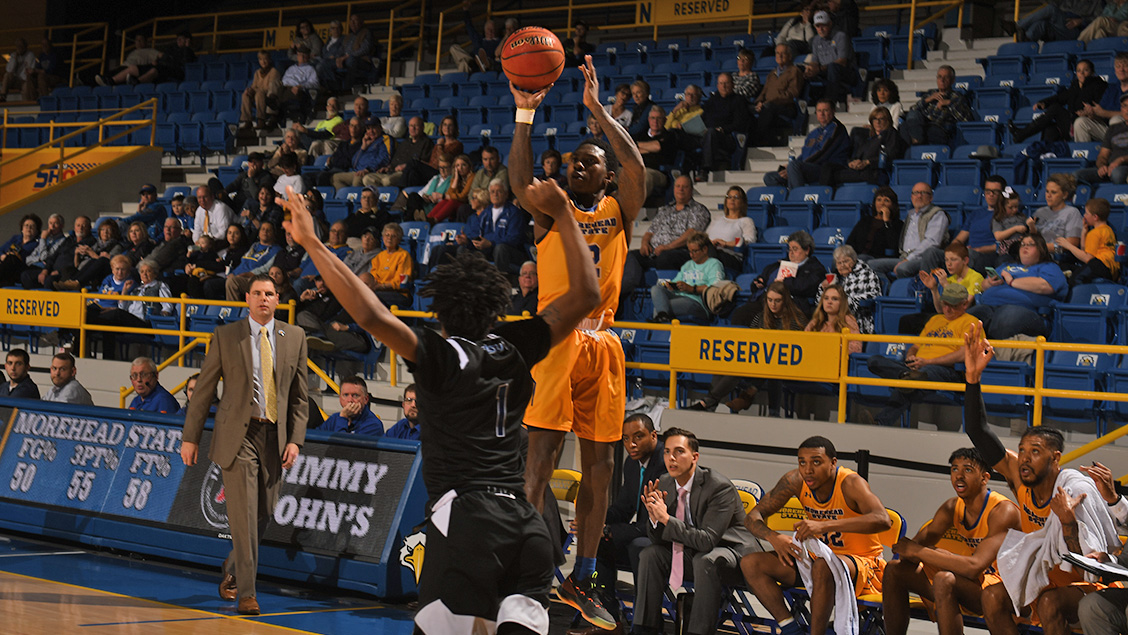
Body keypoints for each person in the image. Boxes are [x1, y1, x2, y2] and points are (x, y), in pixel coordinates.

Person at [281, 125, 601, 633]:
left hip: (467, 519)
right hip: (526, 523)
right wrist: (563, 213)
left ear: (443, 312)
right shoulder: (516, 343)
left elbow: (371, 315)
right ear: (493, 309)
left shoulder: (439, 353)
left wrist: (315, 244)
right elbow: (587, 295)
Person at [509, 56, 645, 629]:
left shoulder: (618, 209)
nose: (576, 169)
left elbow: (637, 166)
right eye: (572, 164)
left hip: (604, 345)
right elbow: (518, 182)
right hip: (556, 343)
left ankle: (583, 576)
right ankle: (523, 570)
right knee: (537, 466)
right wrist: (523, 114)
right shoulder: (551, 211)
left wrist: (599, 113)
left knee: (600, 469)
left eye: (587, 163)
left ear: (604, 175)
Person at [961, 326, 1120, 635]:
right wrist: (972, 379)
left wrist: (1068, 522)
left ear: (1055, 458)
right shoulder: (1021, 479)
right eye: (1022, 450)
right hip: (1044, 573)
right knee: (991, 596)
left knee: (1048, 603)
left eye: (1035, 452)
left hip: (1082, 582)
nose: (1024, 458)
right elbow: (979, 433)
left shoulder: (1076, 491)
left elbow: (1089, 565)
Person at [181, 274, 309, 616]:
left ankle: (233, 568)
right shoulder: (226, 335)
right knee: (243, 514)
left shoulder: (295, 336)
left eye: (269, 294)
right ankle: (247, 593)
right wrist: (190, 437)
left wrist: (296, 439)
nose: (263, 299)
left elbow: (299, 397)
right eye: (257, 294)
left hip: (275, 437)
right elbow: (204, 390)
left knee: (265, 512)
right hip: (238, 437)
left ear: (277, 299)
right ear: (247, 299)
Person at [740, 436, 891, 635]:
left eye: (816, 462)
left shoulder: (851, 483)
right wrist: (774, 537)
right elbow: (752, 517)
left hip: (863, 564)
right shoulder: (795, 480)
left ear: (833, 463)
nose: (808, 469)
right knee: (751, 563)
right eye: (802, 462)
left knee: (823, 566)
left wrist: (824, 526)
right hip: (818, 560)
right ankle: (790, 628)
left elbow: (883, 520)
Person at [882, 448, 1021, 635]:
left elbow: (974, 567)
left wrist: (921, 552)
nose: (959, 476)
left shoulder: (1002, 511)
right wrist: (919, 552)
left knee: (944, 579)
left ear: (985, 477)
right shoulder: (952, 507)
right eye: (954, 469)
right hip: (976, 584)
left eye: (968, 470)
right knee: (894, 569)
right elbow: (907, 551)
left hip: (1006, 590)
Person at [632, 428, 758, 635]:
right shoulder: (664, 482)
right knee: (650, 554)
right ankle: (644, 628)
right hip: (695, 552)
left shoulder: (719, 487)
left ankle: (697, 632)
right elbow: (657, 540)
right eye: (667, 452)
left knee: (705, 559)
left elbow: (707, 540)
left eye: (679, 452)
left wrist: (665, 518)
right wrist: (654, 520)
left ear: (695, 457)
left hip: (732, 554)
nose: (671, 458)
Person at [865, 284, 980, 427]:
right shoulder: (935, 320)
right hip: (918, 366)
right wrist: (911, 356)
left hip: (946, 370)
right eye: (945, 304)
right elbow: (915, 346)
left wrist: (928, 361)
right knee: (874, 361)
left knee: (922, 376)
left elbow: (965, 353)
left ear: (964, 304)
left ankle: (881, 420)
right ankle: (906, 375)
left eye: (953, 305)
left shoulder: (972, 323)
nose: (947, 309)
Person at [692, 282, 807, 414]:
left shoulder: (796, 320)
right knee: (729, 363)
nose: (773, 304)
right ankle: (716, 403)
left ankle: (713, 401)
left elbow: (796, 347)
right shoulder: (761, 317)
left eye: (777, 301)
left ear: (785, 300)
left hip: (789, 364)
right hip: (762, 362)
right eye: (770, 300)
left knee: (773, 367)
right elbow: (752, 341)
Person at [620, 176, 712, 304]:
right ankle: (627, 291)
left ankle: (665, 295)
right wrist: (644, 243)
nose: (681, 190)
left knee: (666, 257)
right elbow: (650, 231)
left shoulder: (698, 210)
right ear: (673, 189)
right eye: (678, 186)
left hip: (679, 252)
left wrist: (667, 247)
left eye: (685, 187)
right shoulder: (665, 210)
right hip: (654, 252)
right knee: (631, 256)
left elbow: (691, 234)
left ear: (691, 190)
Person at [731, 229, 826, 319]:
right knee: (740, 314)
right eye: (789, 249)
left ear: (807, 250)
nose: (791, 253)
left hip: (790, 305)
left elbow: (807, 286)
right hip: (764, 301)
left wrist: (784, 282)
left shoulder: (815, 268)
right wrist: (758, 283)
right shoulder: (779, 264)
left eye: (795, 249)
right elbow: (762, 278)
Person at [1009, 60, 1106, 143]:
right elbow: (1061, 97)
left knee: (1055, 109)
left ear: (1092, 72)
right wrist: (1044, 102)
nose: (1082, 73)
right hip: (1072, 121)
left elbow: (1101, 107)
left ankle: (1021, 134)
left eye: (1086, 70)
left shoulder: (1098, 86)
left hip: (1089, 122)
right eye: (1079, 71)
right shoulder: (1075, 86)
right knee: (1050, 127)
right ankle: (1046, 158)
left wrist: (1088, 112)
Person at [867, 182, 949, 279]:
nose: (919, 196)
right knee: (871, 265)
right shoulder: (910, 215)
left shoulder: (937, 214)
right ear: (911, 197)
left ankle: (908, 292)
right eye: (916, 193)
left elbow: (931, 242)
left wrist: (909, 259)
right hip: (904, 257)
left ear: (931, 198)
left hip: (921, 259)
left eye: (923, 193)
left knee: (902, 268)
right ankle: (888, 290)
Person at [764, 99, 850, 189]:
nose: (822, 114)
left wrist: (794, 167)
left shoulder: (836, 128)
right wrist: (790, 167)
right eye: (819, 111)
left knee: (794, 167)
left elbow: (823, 153)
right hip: (807, 167)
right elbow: (804, 153)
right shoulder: (814, 133)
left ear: (833, 111)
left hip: (825, 168)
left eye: (825, 110)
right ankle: (788, 198)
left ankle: (799, 199)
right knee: (770, 177)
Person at [649, 232, 724, 323]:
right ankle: (663, 324)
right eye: (690, 251)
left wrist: (691, 289)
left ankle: (659, 332)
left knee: (661, 307)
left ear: (704, 249)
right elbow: (676, 282)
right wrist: (671, 286)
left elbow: (716, 288)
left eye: (695, 251)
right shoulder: (688, 265)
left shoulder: (714, 264)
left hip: (698, 303)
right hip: (679, 297)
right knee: (656, 289)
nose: (691, 255)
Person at [820, 106, 906, 186]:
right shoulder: (869, 138)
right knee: (828, 167)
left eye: (881, 119)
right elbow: (857, 154)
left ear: (887, 120)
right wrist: (852, 162)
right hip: (860, 169)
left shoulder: (891, 134)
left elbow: (890, 155)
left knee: (832, 175)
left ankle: (826, 196)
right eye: (875, 119)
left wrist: (867, 162)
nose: (878, 122)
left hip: (874, 171)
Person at [900, 65, 976, 146]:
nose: (942, 80)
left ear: (952, 80)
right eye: (939, 77)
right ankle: (917, 142)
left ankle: (916, 144)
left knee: (909, 130)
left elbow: (966, 120)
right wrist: (927, 100)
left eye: (946, 77)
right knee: (904, 124)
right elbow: (912, 111)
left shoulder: (957, 97)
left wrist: (949, 103)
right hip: (922, 126)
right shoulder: (931, 94)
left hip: (940, 130)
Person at [817, 245, 881, 333]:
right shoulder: (834, 278)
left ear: (854, 260)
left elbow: (874, 297)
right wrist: (822, 289)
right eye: (839, 263)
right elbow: (819, 303)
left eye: (846, 261)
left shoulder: (866, 274)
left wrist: (842, 302)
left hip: (859, 319)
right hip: (833, 320)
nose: (842, 265)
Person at [1055, 197, 1119, 284]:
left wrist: (1068, 245)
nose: (1084, 215)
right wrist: (1084, 233)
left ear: (1095, 217)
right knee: (1065, 267)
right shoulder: (1108, 230)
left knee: (1075, 279)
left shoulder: (1095, 233)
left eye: (1086, 213)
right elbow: (1085, 252)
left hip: (1100, 265)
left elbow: (1087, 258)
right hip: (1110, 269)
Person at [752, 43, 805, 147]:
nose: (779, 56)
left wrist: (770, 101)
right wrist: (759, 102)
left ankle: (761, 141)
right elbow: (764, 92)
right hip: (768, 106)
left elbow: (792, 94)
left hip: (786, 107)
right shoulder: (772, 73)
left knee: (768, 108)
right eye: (777, 53)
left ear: (790, 56)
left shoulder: (794, 71)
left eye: (783, 53)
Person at [701, 72, 751, 173]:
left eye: (726, 83)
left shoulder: (739, 100)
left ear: (732, 85)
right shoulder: (712, 100)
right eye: (721, 83)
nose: (723, 86)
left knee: (711, 133)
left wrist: (722, 129)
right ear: (717, 85)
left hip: (728, 137)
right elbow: (703, 118)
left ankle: (706, 169)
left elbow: (740, 123)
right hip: (708, 133)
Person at [805, 11, 857, 107]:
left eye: (823, 25)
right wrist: (810, 68)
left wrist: (819, 69)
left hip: (845, 72)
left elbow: (842, 61)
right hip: (825, 71)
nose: (821, 29)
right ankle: (805, 104)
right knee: (801, 69)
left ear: (830, 24)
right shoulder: (816, 40)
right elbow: (815, 61)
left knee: (833, 67)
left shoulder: (840, 36)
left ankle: (829, 103)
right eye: (817, 26)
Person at [1074, 52, 1128, 143]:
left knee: (1116, 121)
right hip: (1110, 131)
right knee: (1080, 122)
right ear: (1115, 69)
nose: (1121, 70)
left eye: (1125, 66)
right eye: (1118, 66)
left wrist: (1104, 113)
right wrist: (1092, 114)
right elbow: (1102, 114)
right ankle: (1085, 154)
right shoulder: (1112, 88)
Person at [1075, 93, 1128, 186]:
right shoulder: (1113, 129)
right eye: (1125, 106)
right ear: (1121, 109)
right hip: (1110, 168)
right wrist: (1102, 166)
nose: (1127, 110)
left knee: (1117, 174)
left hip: (1123, 168)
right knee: (1076, 175)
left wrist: (1121, 160)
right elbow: (1103, 155)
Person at [369, 116, 432, 187]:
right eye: (411, 126)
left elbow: (423, 164)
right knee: (368, 179)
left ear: (422, 127)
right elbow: (395, 160)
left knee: (387, 181)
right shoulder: (404, 143)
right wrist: (388, 168)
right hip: (392, 171)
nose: (413, 128)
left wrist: (406, 166)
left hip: (406, 173)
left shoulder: (427, 143)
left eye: (416, 126)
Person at [707, 186, 757, 272]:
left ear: (742, 202)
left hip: (731, 257)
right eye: (729, 197)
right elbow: (705, 237)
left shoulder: (746, 221)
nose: (732, 200)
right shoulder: (717, 219)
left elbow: (748, 241)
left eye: (736, 197)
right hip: (710, 251)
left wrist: (726, 243)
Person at [633, 105, 678, 199]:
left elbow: (657, 147)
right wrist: (650, 148)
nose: (655, 121)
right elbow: (630, 150)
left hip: (659, 172)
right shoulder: (639, 135)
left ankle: (633, 207)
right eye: (653, 118)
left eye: (659, 118)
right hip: (636, 169)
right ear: (649, 119)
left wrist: (637, 146)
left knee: (645, 176)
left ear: (665, 120)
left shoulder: (670, 136)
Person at [331, 121, 392, 188]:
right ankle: (345, 197)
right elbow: (354, 162)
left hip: (372, 171)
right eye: (368, 128)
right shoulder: (367, 142)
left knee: (357, 179)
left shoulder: (385, 139)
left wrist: (368, 169)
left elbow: (384, 158)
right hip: (358, 171)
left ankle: (356, 197)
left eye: (373, 128)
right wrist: (363, 147)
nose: (371, 131)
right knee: (335, 178)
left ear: (380, 128)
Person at [448, 2, 502, 74]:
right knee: (454, 48)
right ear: (484, 30)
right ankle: (470, 62)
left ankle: (471, 65)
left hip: (486, 63)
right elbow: (469, 27)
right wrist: (465, 10)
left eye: (492, 29)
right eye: (488, 29)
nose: (490, 31)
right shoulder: (479, 39)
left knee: (463, 64)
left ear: (496, 30)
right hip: (474, 61)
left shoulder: (498, 42)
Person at [240, 51, 282, 130]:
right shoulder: (257, 72)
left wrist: (257, 90)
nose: (263, 62)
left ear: (269, 60)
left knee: (259, 93)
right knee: (245, 95)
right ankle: (247, 121)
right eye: (261, 59)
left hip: (269, 97)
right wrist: (250, 90)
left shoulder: (274, 71)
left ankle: (261, 120)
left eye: (265, 59)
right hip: (258, 94)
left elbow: (271, 88)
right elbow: (254, 86)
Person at [277, 46, 319, 125]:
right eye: (300, 55)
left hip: (297, 90)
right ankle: (274, 103)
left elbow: (315, 83)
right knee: (275, 86)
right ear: (297, 55)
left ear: (308, 56)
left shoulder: (310, 69)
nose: (302, 57)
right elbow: (284, 79)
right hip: (285, 87)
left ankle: (275, 104)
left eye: (304, 55)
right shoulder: (291, 68)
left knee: (279, 98)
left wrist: (301, 86)